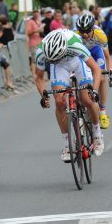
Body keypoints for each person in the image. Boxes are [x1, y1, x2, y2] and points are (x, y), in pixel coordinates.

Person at [33, 29, 104, 161]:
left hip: (77, 61)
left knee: (87, 100)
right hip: (60, 66)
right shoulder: (41, 52)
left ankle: (97, 133)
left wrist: (94, 90)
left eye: (55, 58)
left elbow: (96, 69)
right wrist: (43, 95)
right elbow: (38, 76)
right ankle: (67, 144)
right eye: (50, 60)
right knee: (59, 102)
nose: (53, 61)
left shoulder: (76, 45)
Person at [75, 13, 112, 129]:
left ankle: (102, 111)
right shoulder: (74, 34)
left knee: (102, 78)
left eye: (87, 31)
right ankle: (80, 109)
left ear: (93, 28)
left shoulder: (100, 35)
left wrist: (110, 71)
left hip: (96, 51)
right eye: (82, 32)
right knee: (78, 76)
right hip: (81, 53)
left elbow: (107, 57)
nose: (85, 34)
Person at [26, 9, 44, 75]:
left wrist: (41, 30)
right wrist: (36, 31)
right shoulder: (30, 22)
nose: (36, 14)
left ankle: (39, 74)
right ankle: (34, 75)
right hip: (33, 42)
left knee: (40, 59)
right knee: (34, 60)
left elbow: (41, 31)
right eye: (35, 12)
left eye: (37, 12)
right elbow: (28, 32)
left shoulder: (39, 21)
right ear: (33, 13)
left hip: (39, 42)